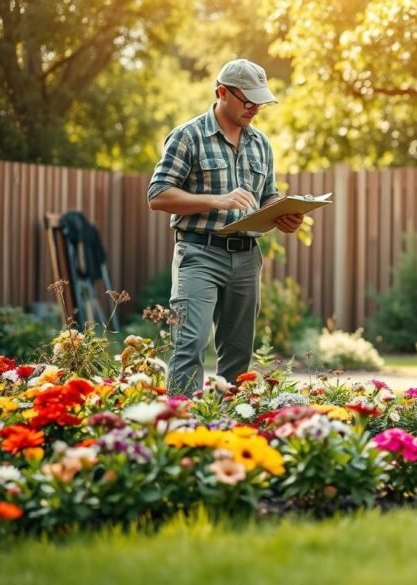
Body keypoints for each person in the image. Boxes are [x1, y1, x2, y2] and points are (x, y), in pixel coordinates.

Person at [146, 58, 304, 396]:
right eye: (248, 101)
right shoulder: (188, 136)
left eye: (260, 101)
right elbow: (157, 195)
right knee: (190, 342)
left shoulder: (260, 143)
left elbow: (268, 197)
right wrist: (217, 200)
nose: (255, 109)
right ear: (222, 92)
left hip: (247, 258)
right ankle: (181, 429)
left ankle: (228, 428)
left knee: (238, 353)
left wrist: (285, 214)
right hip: (199, 252)